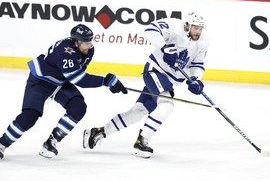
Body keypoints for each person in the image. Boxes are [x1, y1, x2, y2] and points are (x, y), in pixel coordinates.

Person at [83, 12, 209, 158]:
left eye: (200, 29)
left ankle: (98, 132)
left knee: (138, 112)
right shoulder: (174, 26)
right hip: (155, 70)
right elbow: (150, 30)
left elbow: (198, 64)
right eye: (195, 28)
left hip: (168, 81)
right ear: (187, 25)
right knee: (166, 104)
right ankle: (142, 141)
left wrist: (195, 79)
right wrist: (164, 47)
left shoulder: (204, 41)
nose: (198, 32)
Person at [0, 24, 127, 160]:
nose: (90, 46)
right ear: (75, 42)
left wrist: (106, 81)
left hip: (60, 81)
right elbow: (79, 79)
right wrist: (105, 81)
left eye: (91, 41)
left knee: (78, 107)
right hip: (42, 80)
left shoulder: (89, 50)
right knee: (30, 116)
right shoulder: (64, 52)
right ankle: (2, 144)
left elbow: (77, 73)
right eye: (86, 43)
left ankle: (51, 142)